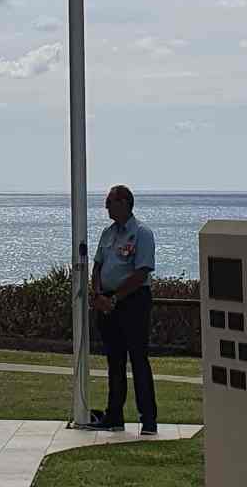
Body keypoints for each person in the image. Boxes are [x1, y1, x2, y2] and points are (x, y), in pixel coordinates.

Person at [90, 184, 158, 435]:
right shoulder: (107, 234)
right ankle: (114, 416)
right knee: (114, 361)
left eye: (110, 202)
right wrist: (97, 294)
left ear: (125, 203)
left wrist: (116, 298)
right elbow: (97, 266)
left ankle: (148, 420)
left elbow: (141, 272)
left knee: (138, 360)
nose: (106, 206)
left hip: (133, 303)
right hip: (107, 303)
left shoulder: (141, 233)